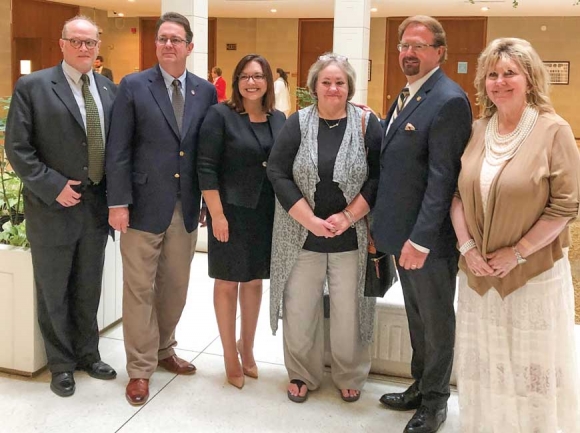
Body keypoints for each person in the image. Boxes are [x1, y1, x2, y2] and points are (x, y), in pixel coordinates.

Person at [451, 37, 580, 433]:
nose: (500, 82)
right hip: (479, 275)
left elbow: (566, 206)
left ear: (529, 79)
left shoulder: (553, 130)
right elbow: (457, 194)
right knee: (487, 362)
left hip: (532, 274)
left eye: (510, 73)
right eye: (492, 74)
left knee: (532, 365)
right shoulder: (478, 128)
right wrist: (468, 247)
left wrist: (518, 253)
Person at [106, 12, 217, 406]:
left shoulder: (206, 92)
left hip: (185, 207)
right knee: (139, 290)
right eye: (162, 38)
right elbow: (117, 149)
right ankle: (139, 369)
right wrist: (117, 203)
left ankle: (164, 348)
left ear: (189, 46)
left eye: (176, 39)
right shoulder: (134, 86)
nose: (168, 44)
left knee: (175, 287)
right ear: (156, 45)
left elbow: (206, 151)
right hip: (140, 208)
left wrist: (208, 201)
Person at [4, 15, 117, 397]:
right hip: (52, 207)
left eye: (91, 42)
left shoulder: (108, 89)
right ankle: (62, 365)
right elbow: (18, 148)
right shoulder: (33, 87)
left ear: (98, 46)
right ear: (62, 44)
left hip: (96, 207)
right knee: (54, 289)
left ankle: (88, 354)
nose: (85, 48)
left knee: (88, 286)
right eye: (77, 41)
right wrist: (53, 187)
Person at [373, 16, 472, 433]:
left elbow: (442, 181)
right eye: (403, 45)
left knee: (435, 319)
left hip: (427, 241)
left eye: (418, 45)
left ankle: (435, 402)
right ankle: (419, 384)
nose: (408, 53)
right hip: (403, 235)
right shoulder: (411, 93)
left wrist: (421, 239)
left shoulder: (448, 100)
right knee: (416, 316)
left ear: (439, 51)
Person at [267, 53, 382, 404]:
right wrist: (310, 221)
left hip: (351, 237)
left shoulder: (366, 123)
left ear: (349, 87)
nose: (333, 88)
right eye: (326, 82)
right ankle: (302, 373)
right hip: (302, 235)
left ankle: (350, 374)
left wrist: (347, 216)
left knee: (350, 309)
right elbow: (277, 171)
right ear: (314, 86)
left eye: (340, 82)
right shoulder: (297, 123)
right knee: (300, 308)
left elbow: (379, 176)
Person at [198, 54, 285, 389]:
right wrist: (216, 214)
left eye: (258, 76)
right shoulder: (220, 116)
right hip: (230, 212)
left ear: (267, 82)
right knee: (227, 282)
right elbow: (206, 167)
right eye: (245, 76)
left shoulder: (279, 119)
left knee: (253, 282)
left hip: (266, 213)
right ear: (236, 81)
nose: (252, 82)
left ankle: (246, 348)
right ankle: (229, 356)